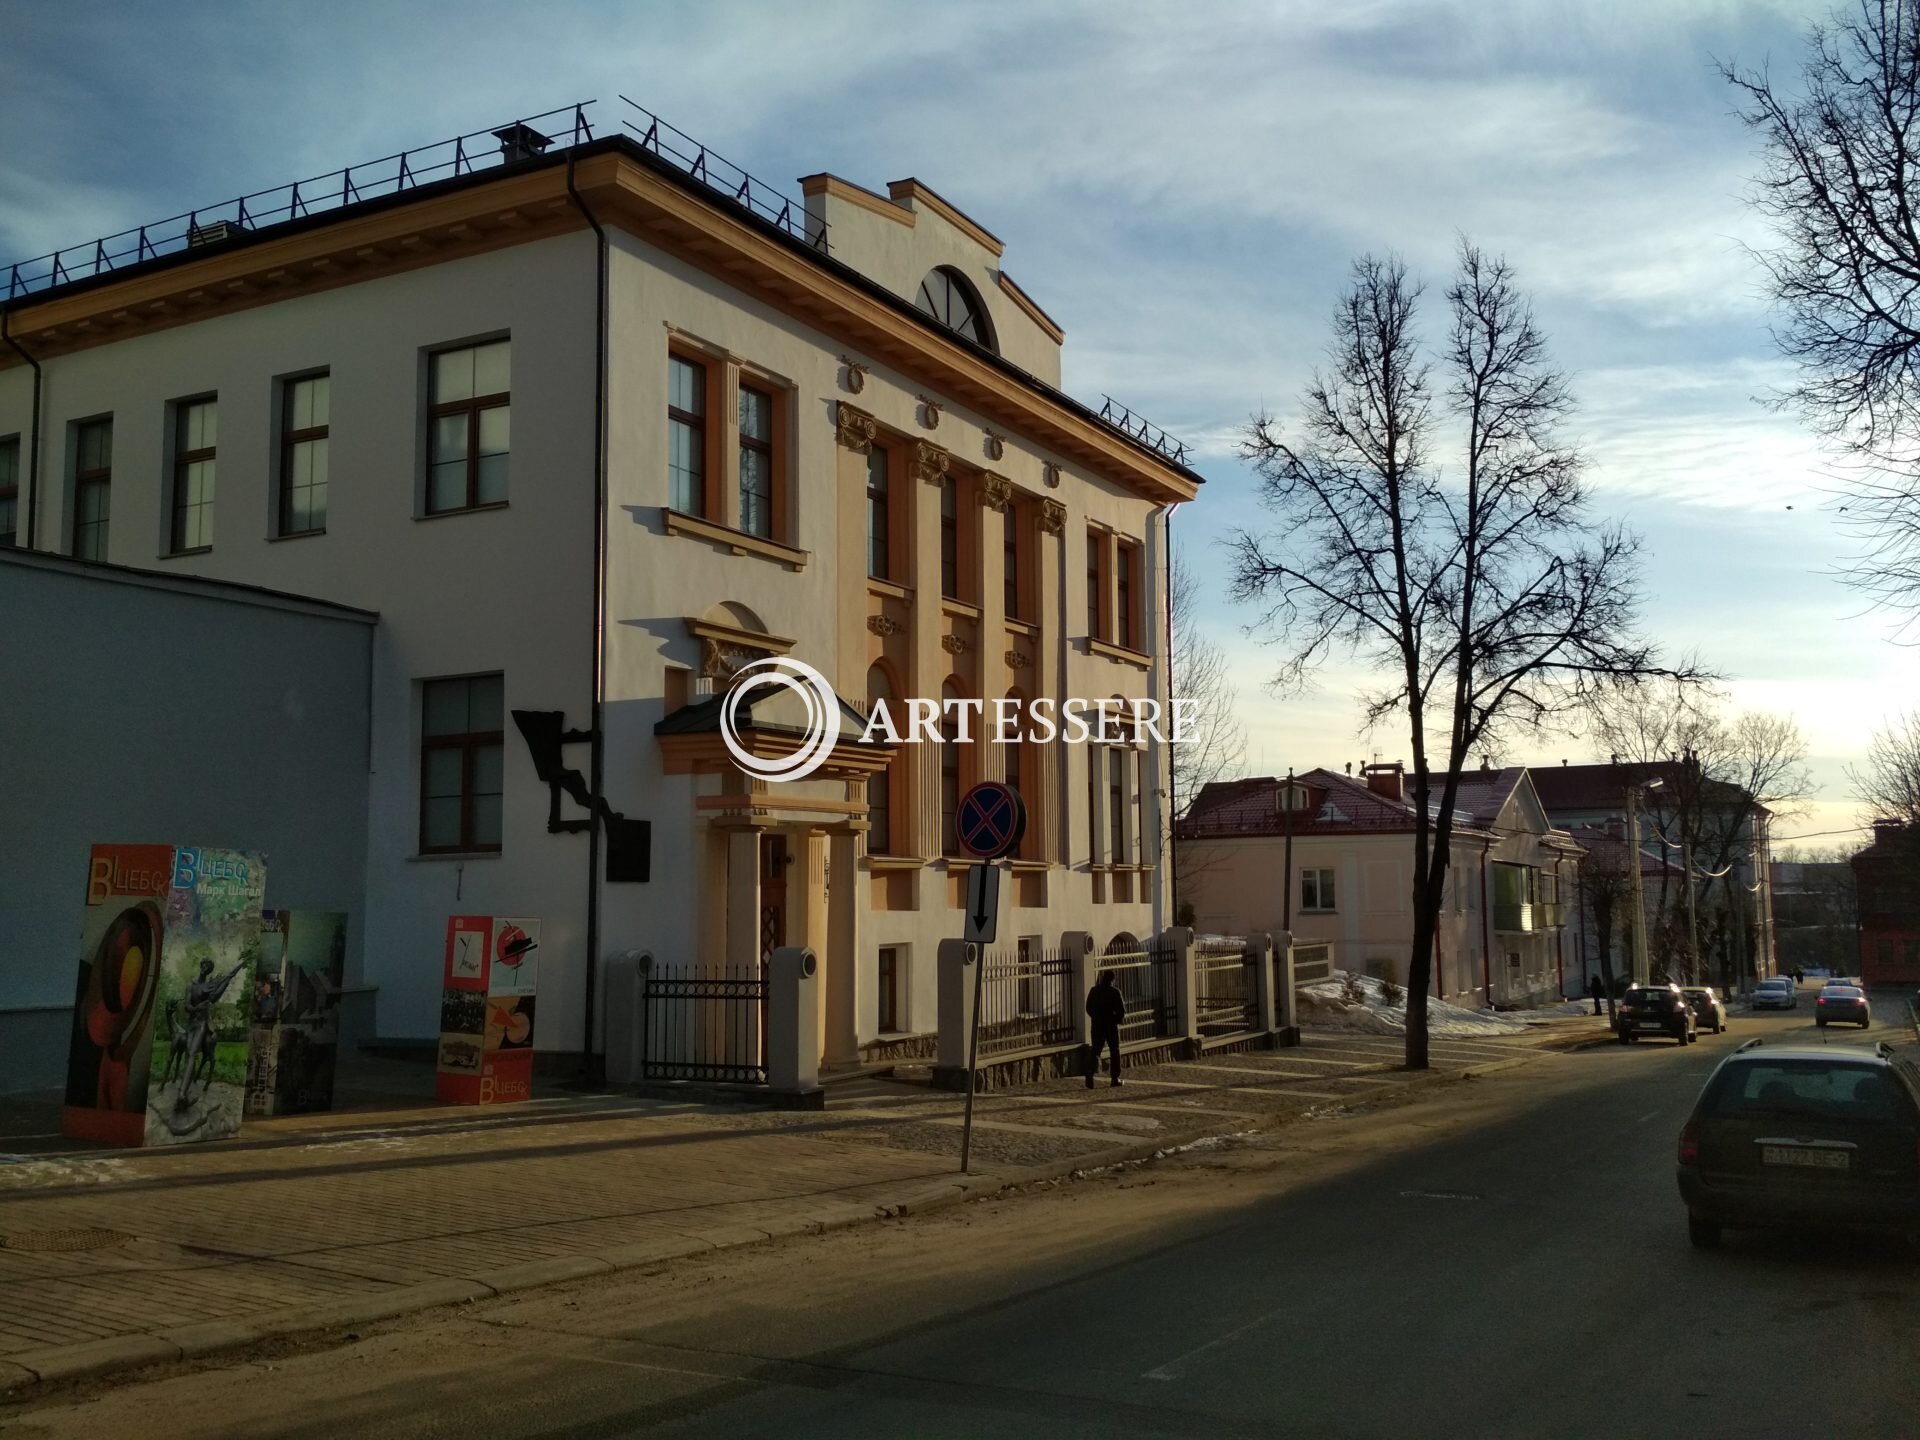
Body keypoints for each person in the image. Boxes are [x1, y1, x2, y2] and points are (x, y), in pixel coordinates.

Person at [1086, 971, 1127, 1088]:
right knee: (1114, 1051)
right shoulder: (1115, 992)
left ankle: (1089, 1072)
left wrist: (1095, 1017)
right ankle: (1115, 1078)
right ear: (1112, 980)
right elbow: (1122, 1011)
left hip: (1097, 1025)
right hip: (1111, 1026)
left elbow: (1088, 1007)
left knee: (1095, 1050)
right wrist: (1116, 1020)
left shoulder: (1094, 990)